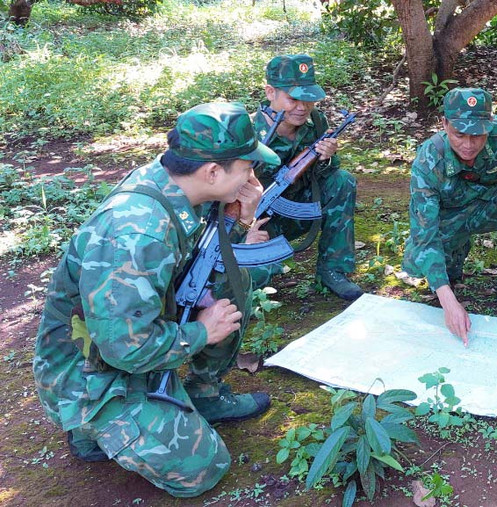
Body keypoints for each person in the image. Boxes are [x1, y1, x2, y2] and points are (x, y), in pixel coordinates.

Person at [33, 102, 281, 497]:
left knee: (234, 286)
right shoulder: (138, 233)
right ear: (212, 171)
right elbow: (124, 349)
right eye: (246, 167)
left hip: (118, 336)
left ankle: (198, 398)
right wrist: (201, 333)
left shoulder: (173, 184)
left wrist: (241, 217)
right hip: (90, 372)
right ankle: (88, 421)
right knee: (204, 469)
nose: (252, 177)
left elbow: (207, 262)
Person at [402, 87, 497, 345]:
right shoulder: (429, 160)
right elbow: (425, 232)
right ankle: (455, 256)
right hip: (449, 218)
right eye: (459, 134)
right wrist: (448, 300)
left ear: (489, 125)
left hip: (488, 206)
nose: (468, 144)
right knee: (416, 262)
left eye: (478, 135)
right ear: (444, 124)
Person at [252, 54, 362, 300]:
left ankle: (333, 270)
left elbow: (328, 175)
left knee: (342, 181)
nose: (302, 108)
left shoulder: (316, 121)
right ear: (271, 92)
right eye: (293, 99)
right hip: (255, 221)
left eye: (309, 100)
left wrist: (326, 158)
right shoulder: (248, 133)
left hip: (298, 208)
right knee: (253, 276)